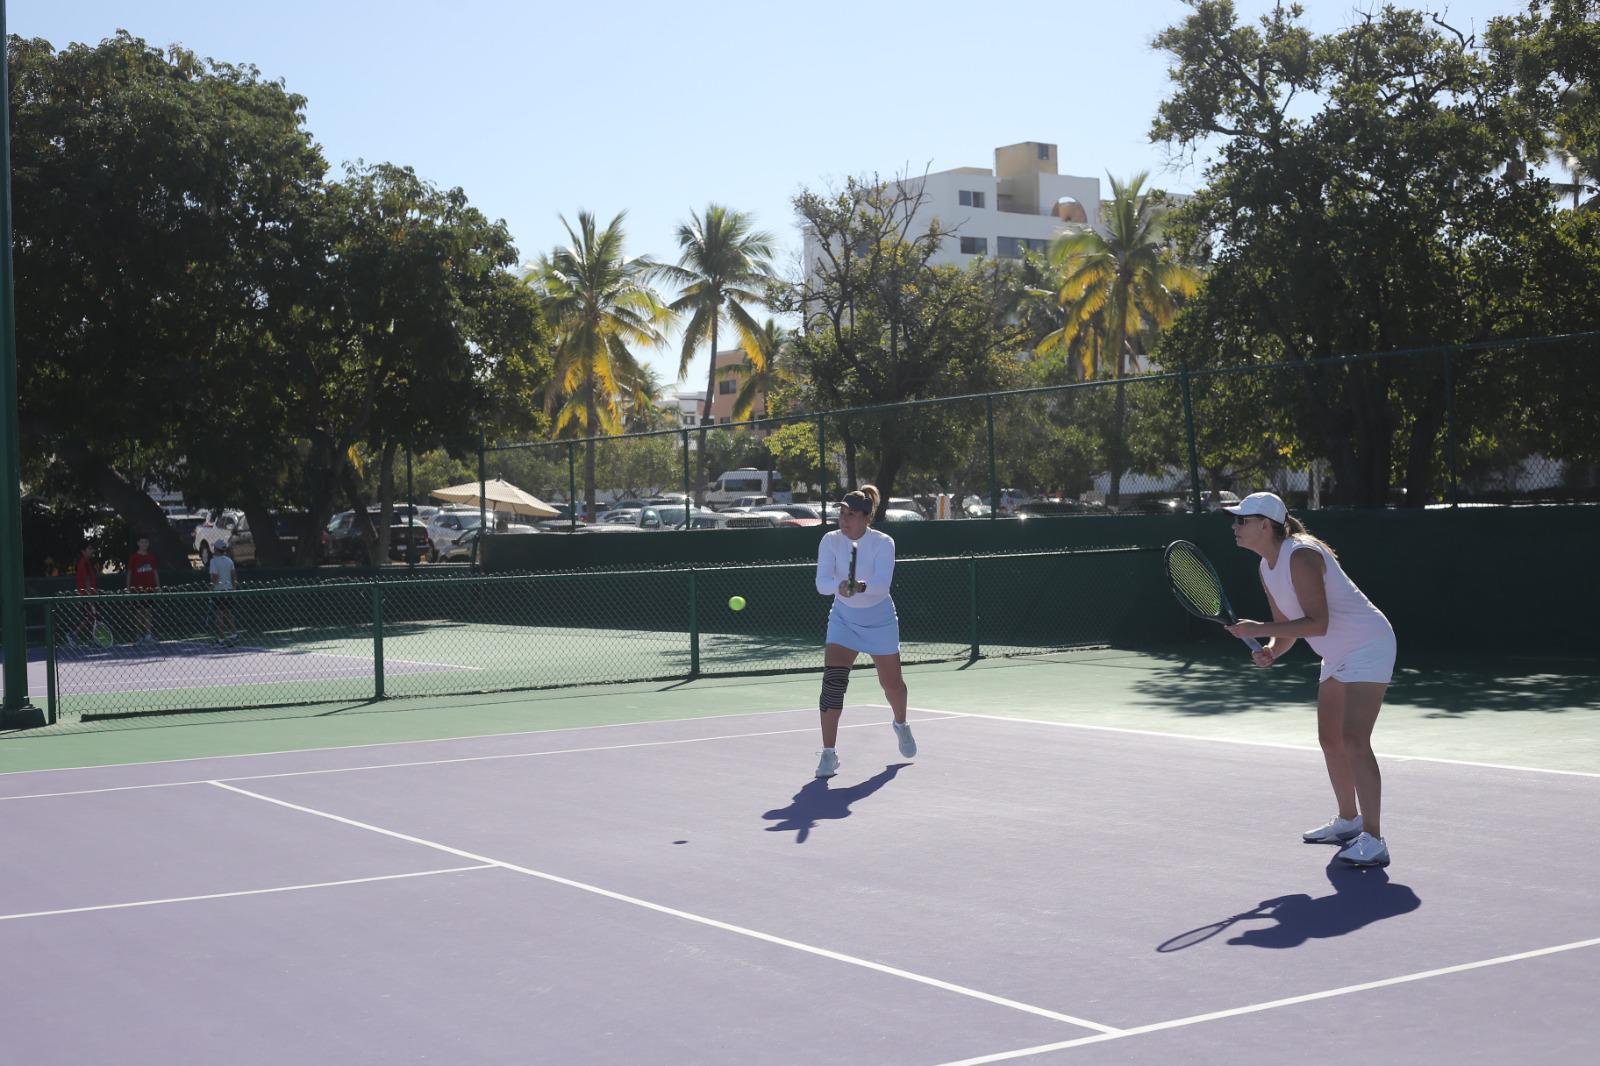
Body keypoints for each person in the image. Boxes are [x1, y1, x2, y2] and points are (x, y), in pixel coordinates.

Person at [1222, 492, 1397, 868]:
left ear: (1264, 526)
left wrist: (1258, 627)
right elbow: (1288, 629)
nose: (1234, 526)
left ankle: (1374, 838)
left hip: (1368, 645)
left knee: (1353, 739)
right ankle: (1348, 821)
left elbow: (1318, 623)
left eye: (1241, 520)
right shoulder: (1267, 567)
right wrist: (1271, 647)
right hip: (1336, 654)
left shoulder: (1301, 555)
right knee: (1330, 740)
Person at [811, 485, 914, 779]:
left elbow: (882, 584)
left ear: (866, 517)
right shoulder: (830, 541)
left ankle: (901, 724)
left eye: (851, 514)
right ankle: (829, 753)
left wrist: (862, 586)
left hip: (880, 620)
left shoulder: (883, 543)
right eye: (841, 513)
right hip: (843, 619)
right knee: (833, 683)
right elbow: (822, 583)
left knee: (893, 685)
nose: (844, 520)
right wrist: (840, 587)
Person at [126, 535, 160, 643]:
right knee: (139, 613)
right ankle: (138, 635)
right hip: (137, 590)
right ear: (138, 543)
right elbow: (129, 573)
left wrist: (158, 586)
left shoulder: (151, 557)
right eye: (142, 542)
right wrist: (128, 588)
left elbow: (155, 572)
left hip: (149, 589)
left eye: (146, 542)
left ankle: (148, 635)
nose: (144, 544)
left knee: (148, 612)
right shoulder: (134, 558)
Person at [208, 539, 238, 645]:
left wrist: (210, 590)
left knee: (219, 616)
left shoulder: (213, 561)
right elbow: (234, 577)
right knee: (228, 614)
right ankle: (234, 635)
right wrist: (233, 591)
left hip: (218, 592)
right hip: (229, 591)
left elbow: (215, 578)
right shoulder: (229, 561)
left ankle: (221, 640)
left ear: (216, 549)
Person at [71, 542, 98, 647]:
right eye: (89, 549)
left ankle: (92, 639)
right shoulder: (84, 563)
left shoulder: (87, 562)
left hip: (88, 594)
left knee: (92, 617)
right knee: (91, 616)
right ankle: (73, 634)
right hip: (87, 595)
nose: (92, 551)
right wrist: (89, 596)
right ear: (83, 551)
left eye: (92, 548)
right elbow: (86, 581)